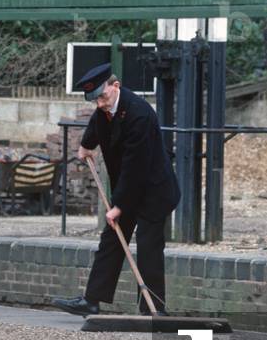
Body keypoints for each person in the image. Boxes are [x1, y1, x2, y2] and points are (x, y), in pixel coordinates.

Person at [51, 63, 180, 316]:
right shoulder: (106, 108)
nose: (99, 103)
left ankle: (153, 309)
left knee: (148, 247)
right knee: (111, 241)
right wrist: (87, 144)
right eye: (95, 99)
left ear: (115, 86)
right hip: (129, 187)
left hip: (153, 190)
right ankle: (92, 300)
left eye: (102, 95)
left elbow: (136, 166)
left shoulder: (139, 114)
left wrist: (118, 205)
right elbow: (98, 122)